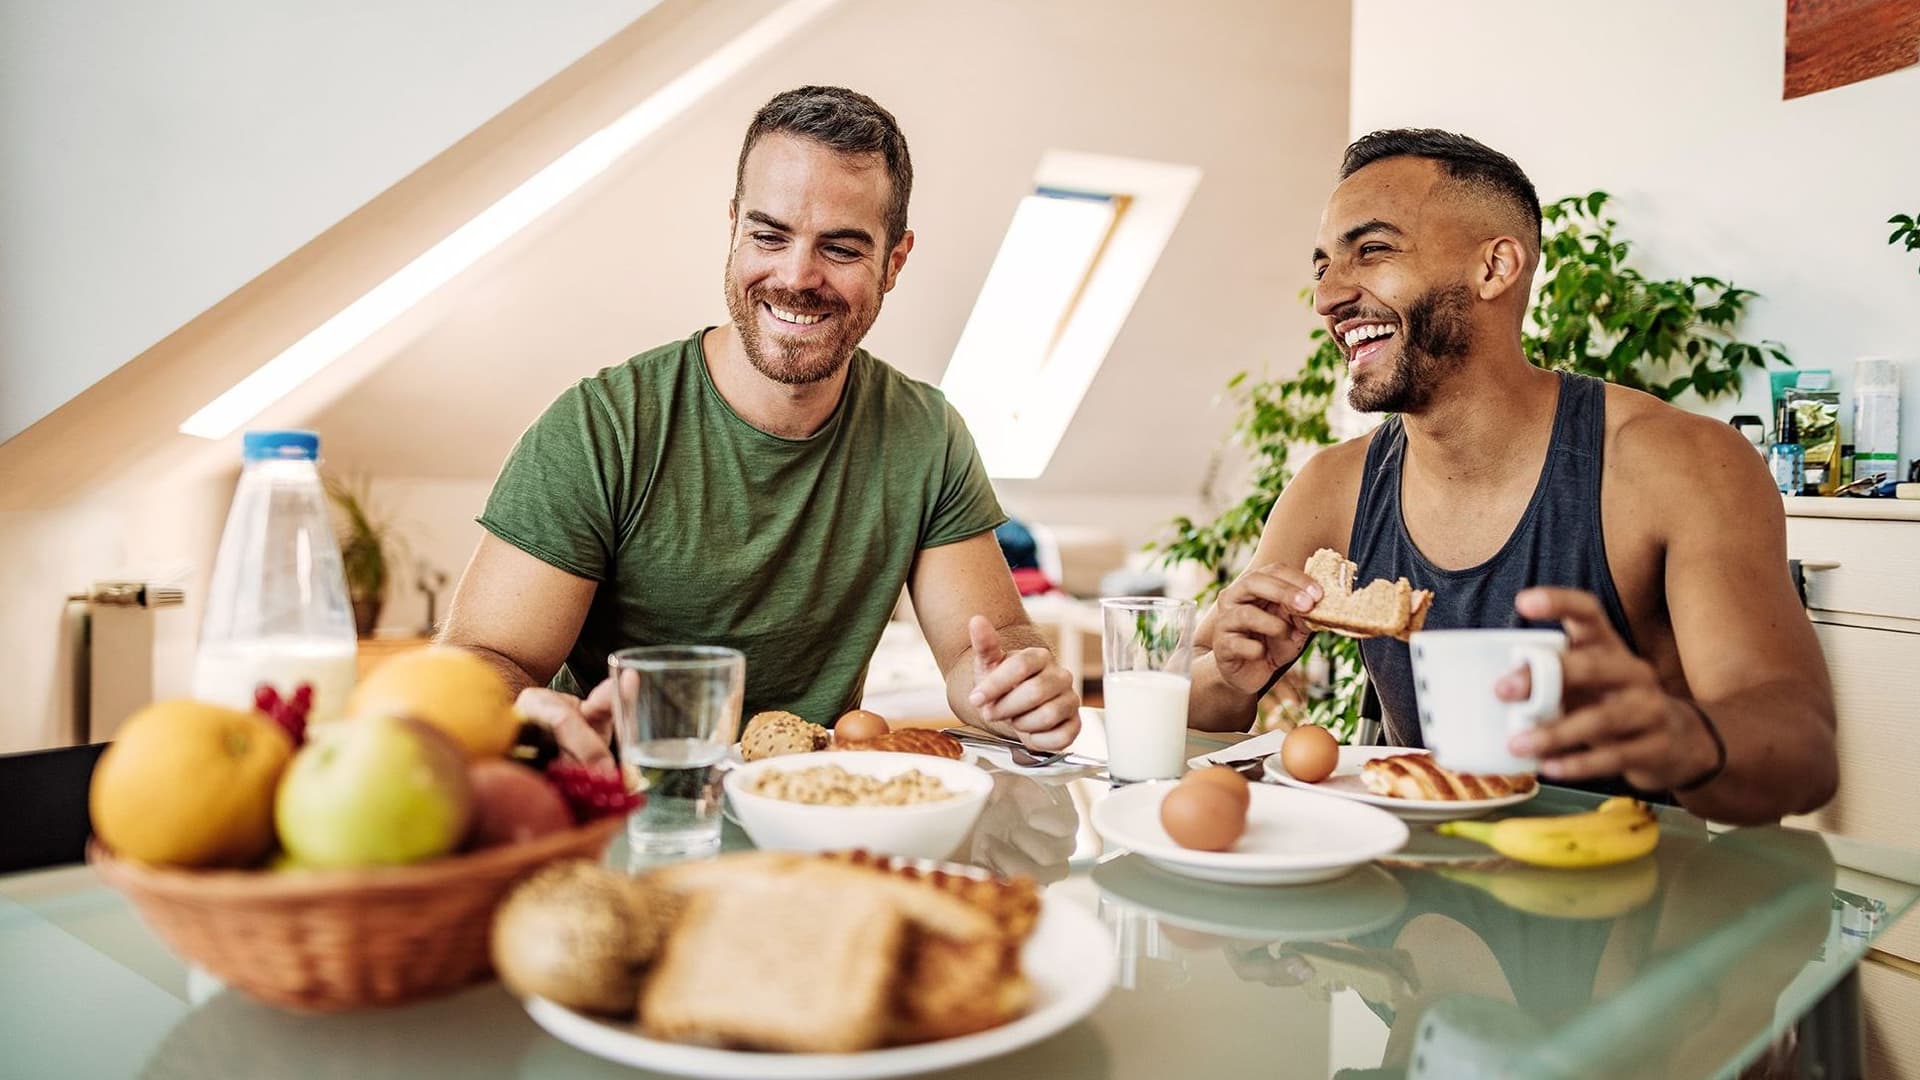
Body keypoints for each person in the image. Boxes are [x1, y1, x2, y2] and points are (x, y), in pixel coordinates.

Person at [1187, 129, 1836, 825]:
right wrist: (1228, 673)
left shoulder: (1680, 463)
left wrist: (1681, 737)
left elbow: (1804, 756)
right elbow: (1194, 698)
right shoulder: (1332, 487)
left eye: (1371, 250)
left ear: (1495, 267)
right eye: (1323, 266)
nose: (1328, 296)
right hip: (1413, 878)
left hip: (1626, 879)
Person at [438, 86, 1079, 769]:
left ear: (894, 262)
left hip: (819, 806)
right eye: (769, 236)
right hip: (624, 803)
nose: (796, 276)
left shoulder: (927, 434)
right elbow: (483, 659)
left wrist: (1016, 685)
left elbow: (987, 643)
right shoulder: (602, 428)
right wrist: (517, 709)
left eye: (840, 248)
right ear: (734, 228)